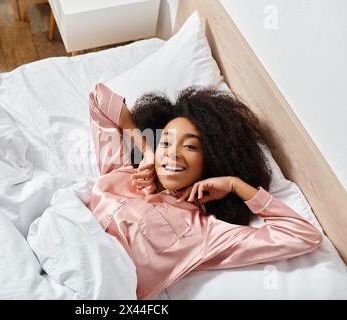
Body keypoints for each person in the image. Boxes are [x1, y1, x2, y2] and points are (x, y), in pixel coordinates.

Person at [87, 83, 322, 300]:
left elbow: (302, 235)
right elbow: (99, 98)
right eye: (166, 143)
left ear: (210, 158)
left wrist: (235, 185)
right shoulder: (121, 171)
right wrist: (146, 150)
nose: (172, 154)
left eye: (189, 146)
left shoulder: (207, 234)